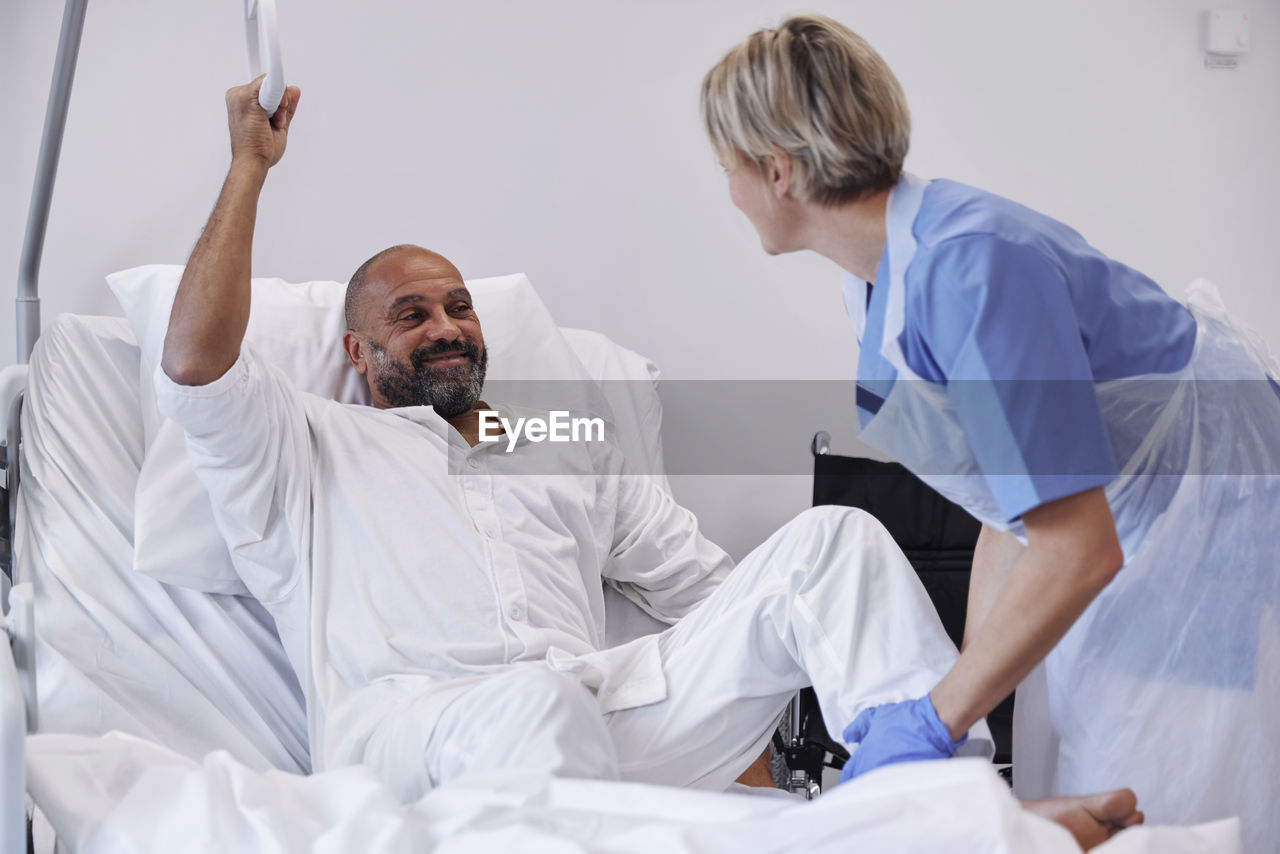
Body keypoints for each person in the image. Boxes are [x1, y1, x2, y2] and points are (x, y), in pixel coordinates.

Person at [156, 76, 1143, 849]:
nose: (446, 324)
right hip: (417, 737)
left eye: (458, 304)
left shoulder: (554, 434)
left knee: (833, 542)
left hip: (595, 707)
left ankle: (956, 815)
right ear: (357, 355)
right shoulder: (303, 445)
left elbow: (709, 590)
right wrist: (248, 165)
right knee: (534, 702)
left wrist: (755, 714)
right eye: (410, 315)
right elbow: (197, 359)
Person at [701, 13, 1279, 852]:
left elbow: (1078, 547)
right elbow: (1008, 505)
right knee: (1061, 774)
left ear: (778, 171)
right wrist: (959, 695)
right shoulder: (878, 281)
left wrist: (937, 717)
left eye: (729, 166)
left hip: (1205, 513)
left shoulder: (971, 270)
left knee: (1152, 794)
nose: (729, 190)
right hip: (1122, 515)